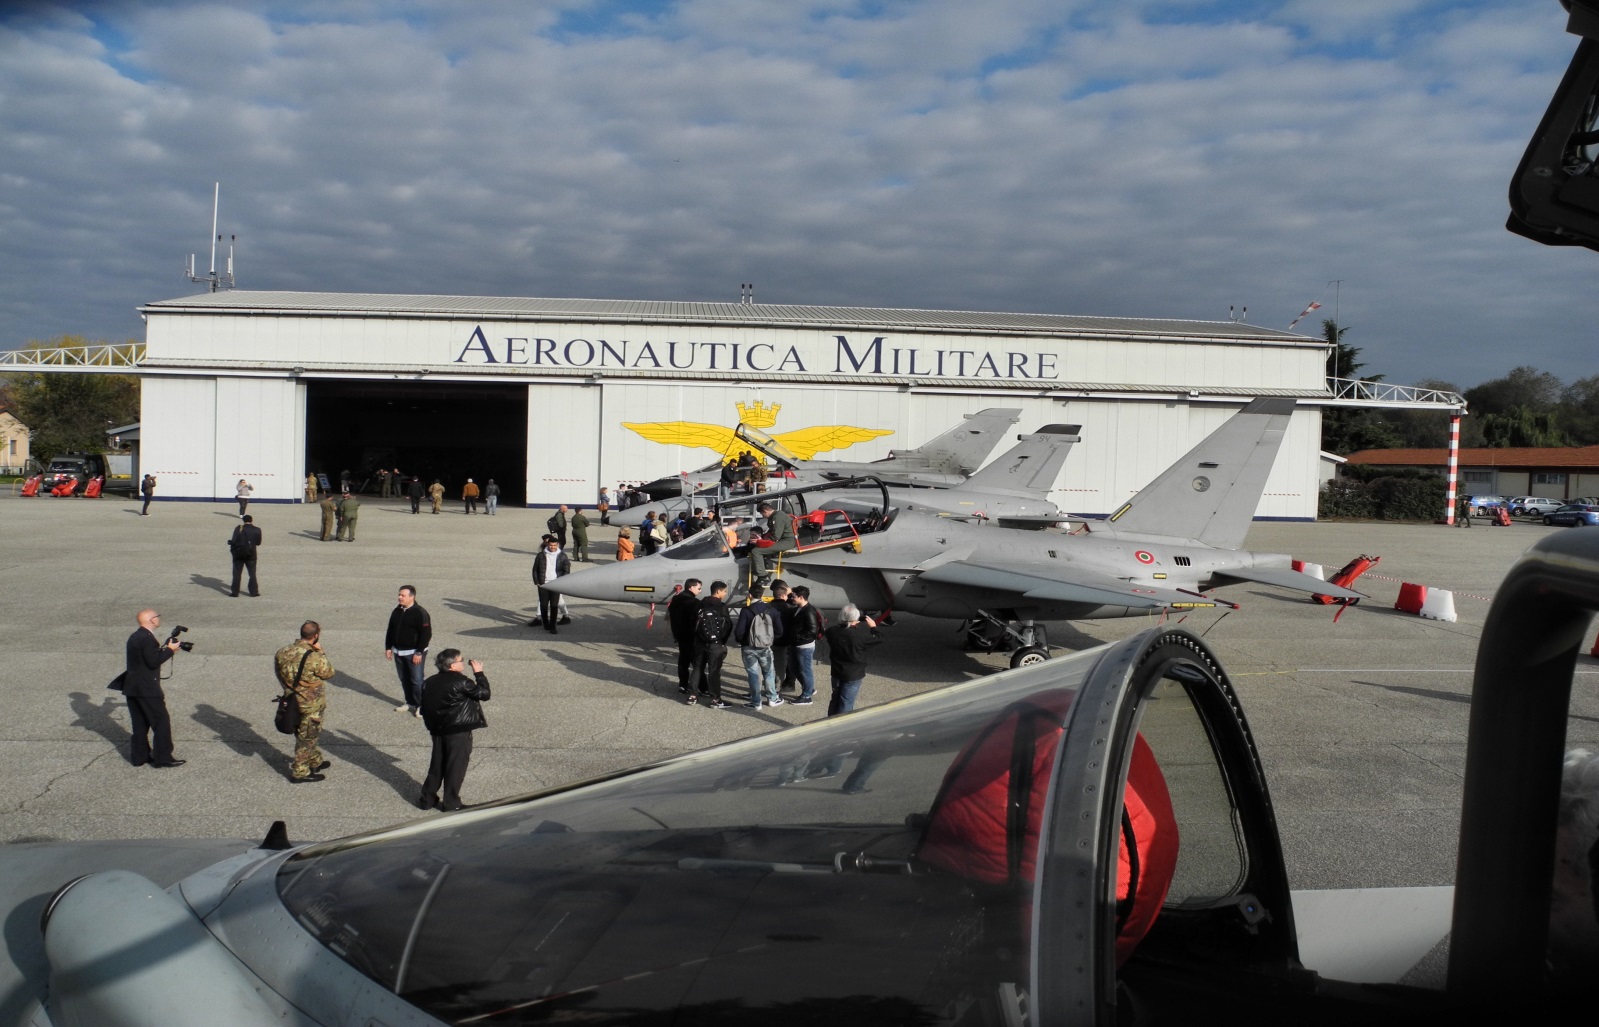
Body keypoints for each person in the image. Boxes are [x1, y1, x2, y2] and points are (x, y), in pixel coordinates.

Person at [418, 648, 491, 812]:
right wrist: (479, 674)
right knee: (456, 765)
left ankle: (427, 799)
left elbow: (424, 704)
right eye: (461, 660)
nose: (463, 662)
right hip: (458, 731)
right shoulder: (462, 682)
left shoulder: (429, 681)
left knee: (437, 764)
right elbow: (484, 694)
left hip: (437, 729)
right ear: (452, 666)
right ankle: (451, 802)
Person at [122, 608, 184, 767]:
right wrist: (170, 650)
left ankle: (139, 757)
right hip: (147, 689)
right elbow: (152, 662)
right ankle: (163, 757)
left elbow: (146, 659)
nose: (159, 618)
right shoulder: (147, 639)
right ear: (151, 620)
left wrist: (164, 650)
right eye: (157, 616)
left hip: (132, 687)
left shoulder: (136, 636)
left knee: (140, 724)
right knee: (161, 722)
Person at [275, 620, 335, 783]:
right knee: (307, 736)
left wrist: (289, 689)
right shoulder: (314, 656)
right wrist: (321, 652)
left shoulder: (283, 652)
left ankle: (314, 760)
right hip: (311, 703)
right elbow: (329, 673)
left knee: (306, 733)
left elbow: (279, 673)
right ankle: (300, 772)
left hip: (292, 700)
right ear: (315, 636)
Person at [821, 603, 883, 716]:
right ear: (856, 619)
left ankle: (829, 722)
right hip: (853, 674)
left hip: (836, 671)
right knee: (846, 702)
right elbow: (879, 638)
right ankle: (842, 727)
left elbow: (830, 630)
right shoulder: (859, 636)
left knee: (835, 699)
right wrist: (873, 627)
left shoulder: (832, 631)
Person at [384, 585, 432, 716]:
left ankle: (422, 705)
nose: (399, 597)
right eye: (399, 595)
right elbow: (390, 629)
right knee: (404, 678)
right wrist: (388, 647)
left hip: (414, 652)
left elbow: (426, 634)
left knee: (417, 680)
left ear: (412, 597)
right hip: (398, 652)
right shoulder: (397, 611)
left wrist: (419, 652)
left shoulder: (420, 612)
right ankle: (410, 702)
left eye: (403, 595)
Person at [735, 584, 785, 709]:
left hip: (749, 647)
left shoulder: (746, 610)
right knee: (769, 672)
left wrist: (743, 641)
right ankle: (773, 698)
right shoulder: (772, 610)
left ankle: (756, 702)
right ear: (762, 595)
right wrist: (769, 640)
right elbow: (779, 630)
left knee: (753, 674)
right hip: (765, 648)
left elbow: (739, 631)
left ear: (750, 595)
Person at [689, 581, 734, 708]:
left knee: (697, 668)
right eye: (724, 591)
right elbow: (728, 625)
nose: (725, 594)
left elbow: (693, 624)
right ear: (718, 591)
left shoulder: (700, 605)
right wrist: (721, 641)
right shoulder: (722, 607)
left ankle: (692, 695)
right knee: (714, 670)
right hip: (715, 644)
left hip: (700, 643)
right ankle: (715, 699)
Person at [785, 586, 823, 705]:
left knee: (805, 670)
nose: (792, 598)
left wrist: (797, 637)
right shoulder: (799, 608)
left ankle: (807, 696)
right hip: (796, 645)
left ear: (801, 597)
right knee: (794, 668)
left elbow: (812, 631)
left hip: (804, 646)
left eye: (794, 596)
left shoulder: (809, 611)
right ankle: (809, 688)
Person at [667, 578, 703, 697]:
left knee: (683, 661)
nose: (700, 591)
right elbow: (696, 621)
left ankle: (683, 684)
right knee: (697, 664)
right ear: (690, 587)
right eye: (699, 588)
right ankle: (702, 686)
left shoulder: (676, 599)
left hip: (679, 635)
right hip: (691, 637)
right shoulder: (694, 603)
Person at [531, 535, 571, 633]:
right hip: (543, 584)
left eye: (554, 545)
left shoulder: (562, 556)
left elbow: (566, 570)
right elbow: (535, 569)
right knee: (543, 605)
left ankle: (553, 626)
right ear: (548, 544)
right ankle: (546, 623)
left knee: (554, 606)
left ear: (557, 545)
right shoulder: (540, 555)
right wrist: (537, 582)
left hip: (555, 584)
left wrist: (560, 582)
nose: (552, 547)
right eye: (551, 545)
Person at [750, 501, 795, 585]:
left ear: (765, 511)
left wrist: (760, 541)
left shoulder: (777, 517)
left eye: (762, 514)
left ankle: (763, 576)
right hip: (783, 540)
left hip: (787, 541)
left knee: (756, 551)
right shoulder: (775, 516)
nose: (763, 516)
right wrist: (761, 538)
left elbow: (775, 537)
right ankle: (763, 565)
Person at [228, 514, 263, 597]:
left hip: (239, 554)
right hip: (251, 554)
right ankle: (253, 592)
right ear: (252, 520)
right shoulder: (257, 529)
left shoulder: (239, 528)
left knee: (237, 573)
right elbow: (258, 543)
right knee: (252, 574)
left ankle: (235, 592)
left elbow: (233, 540)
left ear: (243, 521)